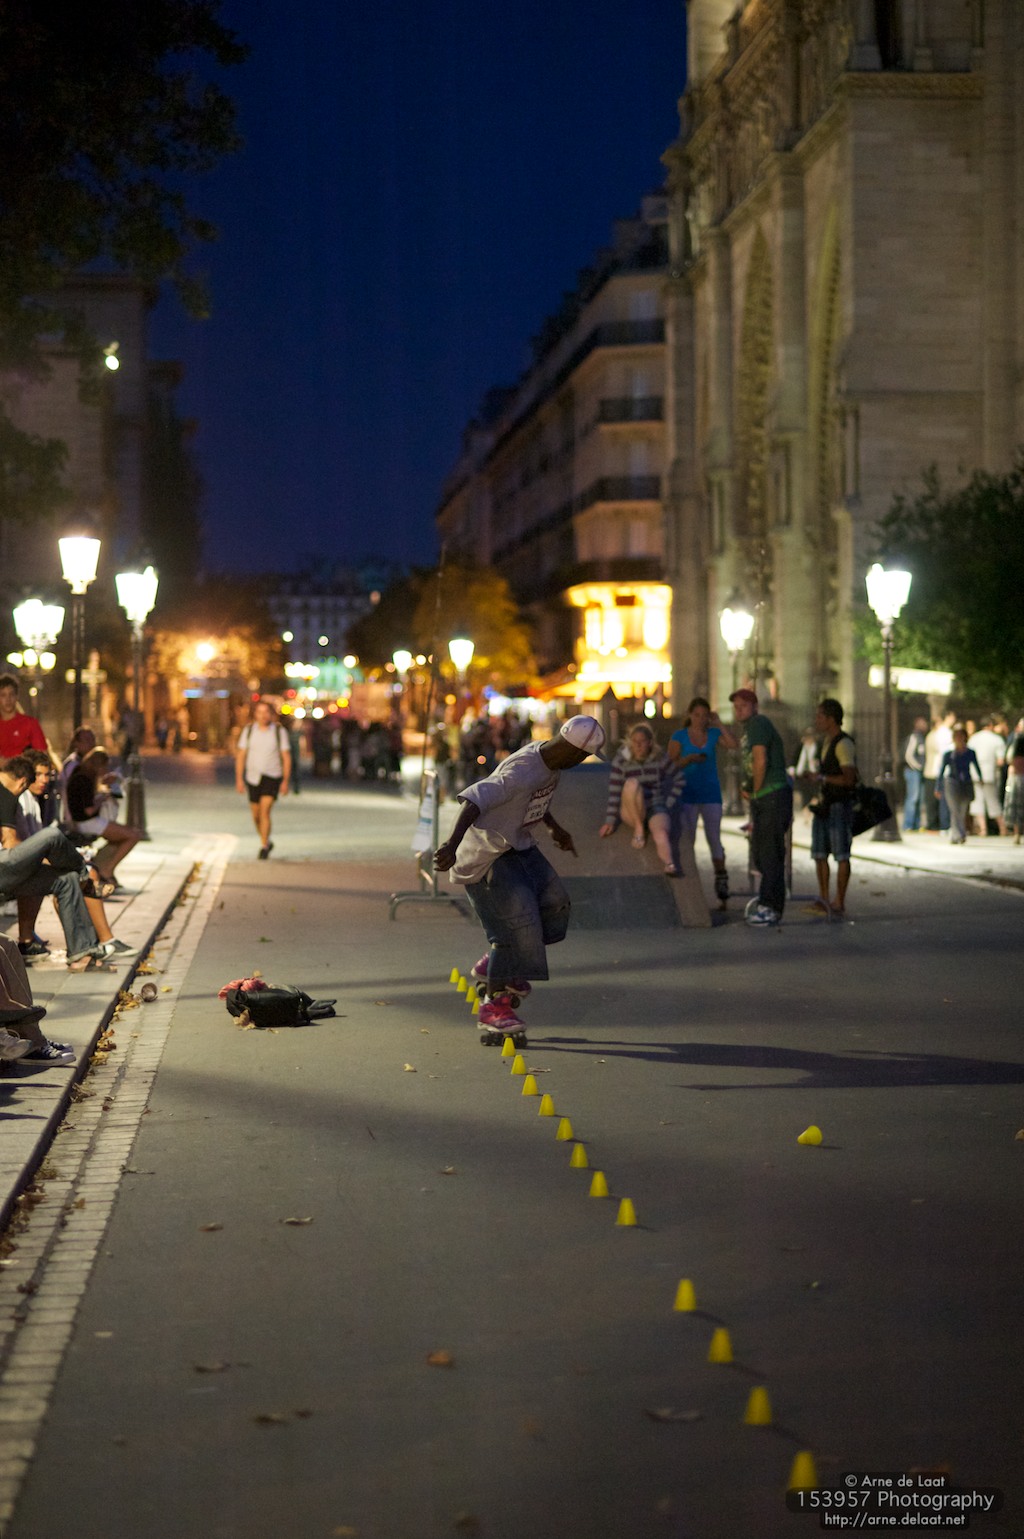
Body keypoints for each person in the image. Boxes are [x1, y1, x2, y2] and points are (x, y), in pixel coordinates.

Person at [433, 715, 605, 1037]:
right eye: (583, 757)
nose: (581, 763)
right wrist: (450, 846)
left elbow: (534, 799)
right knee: (514, 928)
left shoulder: (549, 761)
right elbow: (474, 799)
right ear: (573, 751)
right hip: (487, 856)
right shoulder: (521, 771)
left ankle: (499, 963)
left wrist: (555, 828)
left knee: (556, 903)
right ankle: (493, 1006)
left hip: (517, 846)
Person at [0, 756, 132, 971]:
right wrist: (36, 852)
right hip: (3, 867)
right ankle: (83, 875)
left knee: (66, 880)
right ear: (23, 782)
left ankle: (82, 955)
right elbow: (10, 842)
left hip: (7, 872)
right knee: (51, 836)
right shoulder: (6, 794)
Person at [730, 688, 792, 928]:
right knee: (762, 853)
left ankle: (770, 906)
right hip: (767, 797)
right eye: (736, 707)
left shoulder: (758, 724)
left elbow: (760, 759)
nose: (739, 710)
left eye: (743, 706)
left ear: (754, 706)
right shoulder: (750, 729)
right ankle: (770, 903)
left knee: (768, 854)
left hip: (771, 796)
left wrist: (755, 792)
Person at [667, 697, 738, 900]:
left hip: (711, 793)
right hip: (688, 793)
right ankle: (689, 882)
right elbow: (669, 766)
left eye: (704, 715)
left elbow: (732, 745)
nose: (700, 719)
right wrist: (687, 760)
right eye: (697, 715)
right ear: (690, 715)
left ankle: (721, 880)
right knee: (689, 839)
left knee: (714, 838)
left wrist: (720, 724)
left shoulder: (713, 734)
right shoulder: (680, 736)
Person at [600, 722, 679, 874]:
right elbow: (614, 793)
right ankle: (639, 828)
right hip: (632, 808)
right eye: (635, 741)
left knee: (661, 833)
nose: (638, 745)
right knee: (632, 783)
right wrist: (610, 821)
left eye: (642, 742)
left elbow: (679, 779)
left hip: (654, 806)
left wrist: (669, 802)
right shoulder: (621, 761)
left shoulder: (659, 759)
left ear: (649, 743)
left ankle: (669, 864)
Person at [810, 698, 858, 918]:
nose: (817, 719)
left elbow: (849, 778)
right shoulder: (826, 742)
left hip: (839, 804)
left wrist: (823, 778)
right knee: (819, 853)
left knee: (841, 853)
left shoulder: (843, 743)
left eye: (820, 715)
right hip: (825, 803)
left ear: (831, 719)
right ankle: (824, 897)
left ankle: (839, 900)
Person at [66, 747, 142, 882]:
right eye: (105, 767)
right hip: (87, 822)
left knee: (123, 836)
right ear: (98, 766)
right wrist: (103, 798)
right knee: (133, 836)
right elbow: (89, 810)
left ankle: (100, 865)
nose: (106, 770)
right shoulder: (84, 779)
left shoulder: (81, 774)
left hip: (85, 820)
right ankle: (107, 870)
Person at [235, 699, 292, 859]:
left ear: (271, 714)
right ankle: (266, 838)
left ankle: (264, 846)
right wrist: (239, 779)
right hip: (253, 777)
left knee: (265, 811)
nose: (263, 716)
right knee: (256, 814)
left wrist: (285, 781)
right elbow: (241, 756)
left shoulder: (279, 732)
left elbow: (286, 757)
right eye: (259, 712)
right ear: (255, 714)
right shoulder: (248, 731)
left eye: (266, 712)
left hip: (272, 775)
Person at [937, 727, 980, 844]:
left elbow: (976, 766)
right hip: (952, 782)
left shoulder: (970, 752)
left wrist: (980, 778)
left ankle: (957, 834)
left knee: (963, 809)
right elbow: (942, 771)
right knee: (954, 809)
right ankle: (959, 834)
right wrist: (938, 787)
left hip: (966, 783)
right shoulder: (949, 754)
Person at [967, 718, 1006, 837]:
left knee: (978, 801)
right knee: (993, 801)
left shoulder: (974, 739)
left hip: (974, 773)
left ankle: (983, 829)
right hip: (990, 773)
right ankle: (1002, 828)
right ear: (990, 725)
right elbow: (1000, 760)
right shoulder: (996, 739)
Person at [0, 673, 48, 760]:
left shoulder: (30, 724)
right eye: (3, 695)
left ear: (17, 696)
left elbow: (42, 756)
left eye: (11, 694)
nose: (8, 699)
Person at [901, 716, 928, 831]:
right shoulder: (914, 737)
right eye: (923, 723)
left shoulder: (922, 738)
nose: (925, 725)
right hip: (913, 771)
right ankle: (908, 825)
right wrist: (918, 767)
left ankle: (916, 824)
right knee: (912, 798)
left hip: (919, 772)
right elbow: (908, 755)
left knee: (919, 799)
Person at [1003, 718, 1024, 846]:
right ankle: (1017, 832)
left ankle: (1017, 833)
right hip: (1017, 774)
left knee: (1016, 805)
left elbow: (1010, 758)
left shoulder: (1017, 738)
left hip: (1017, 775)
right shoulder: (1016, 739)